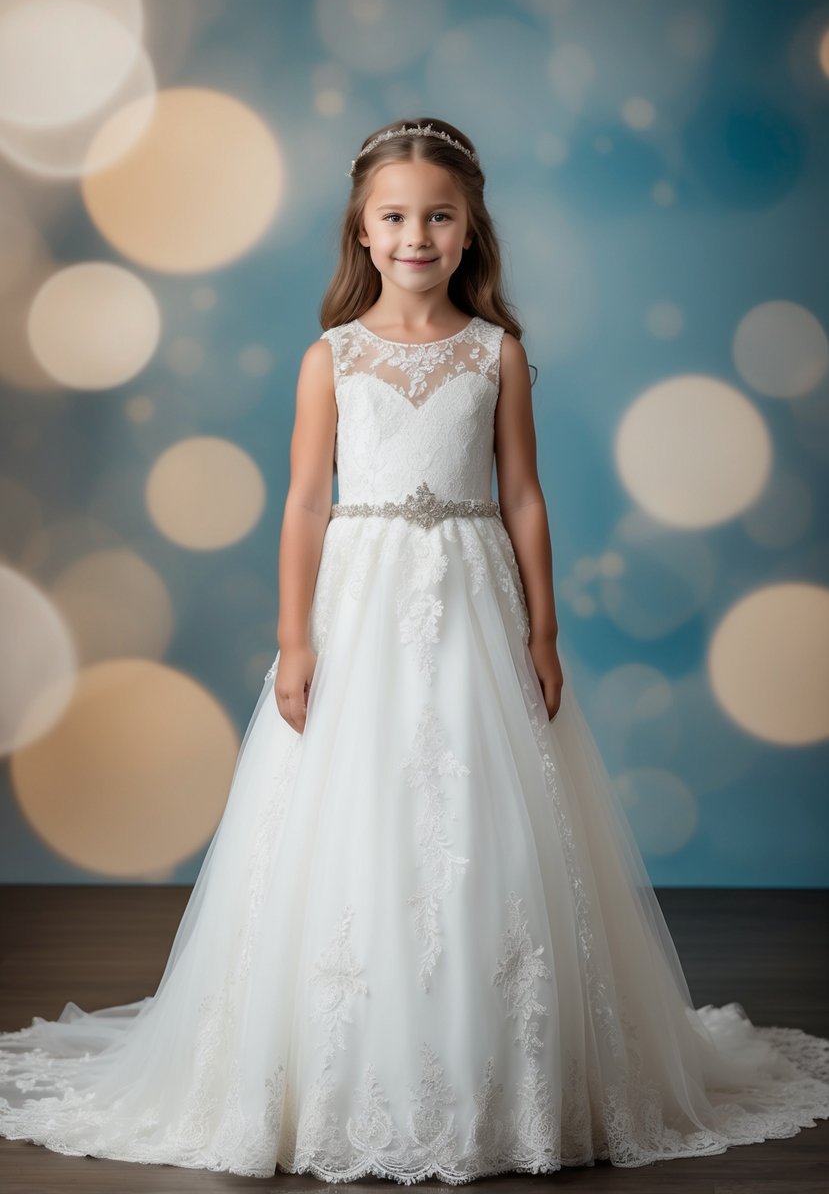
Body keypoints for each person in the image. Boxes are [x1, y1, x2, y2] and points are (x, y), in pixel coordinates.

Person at [0, 117, 827, 1186]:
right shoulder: (332, 357)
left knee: (483, 810)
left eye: (438, 215)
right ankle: (352, 1048)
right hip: (364, 599)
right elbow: (303, 504)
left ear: (470, 226)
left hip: (475, 599)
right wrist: (294, 640)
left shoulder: (495, 353)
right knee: (363, 807)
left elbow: (524, 496)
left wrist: (543, 626)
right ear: (362, 228)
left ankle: (498, 1059)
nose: (416, 235)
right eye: (394, 217)